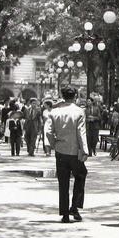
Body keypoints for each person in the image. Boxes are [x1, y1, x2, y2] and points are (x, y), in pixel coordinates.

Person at [45, 87, 88, 223]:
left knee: (63, 182)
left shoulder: (55, 111)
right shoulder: (79, 111)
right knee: (81, 176)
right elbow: (81, 132)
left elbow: (48, 131)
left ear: (62, 96)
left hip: (61, 151)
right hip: (75, 152)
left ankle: (65, 214)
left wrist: (53, 145)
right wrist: (84, 150)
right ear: (74, 96)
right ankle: (74, 207)